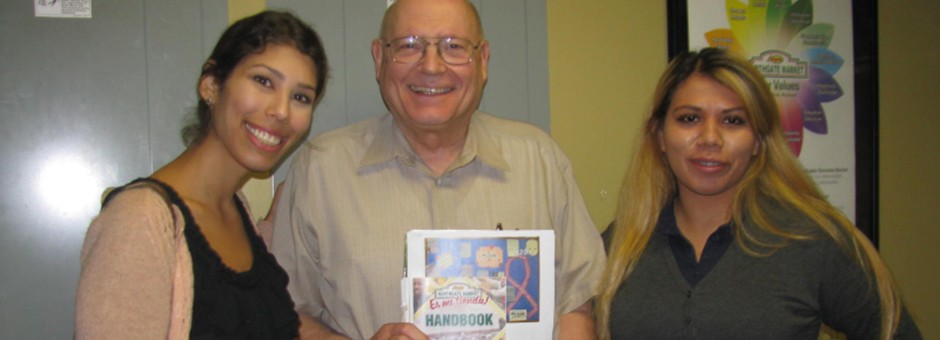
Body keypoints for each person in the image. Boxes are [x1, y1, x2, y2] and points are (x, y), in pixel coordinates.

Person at [269, 0, 606, 339]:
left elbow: (576, 305)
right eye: (409, 46)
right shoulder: (321, 170)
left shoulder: (540, 161)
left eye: (454, 47)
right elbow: (285, 314)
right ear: (379, 58)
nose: (431, 66)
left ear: (483, 60)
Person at [594, 47, 921, 339]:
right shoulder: (620, 247)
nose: (710, 138)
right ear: (660, 135)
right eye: (689, 118)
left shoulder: (812, 241)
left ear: (759, 142)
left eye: (733, 120)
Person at [75, 10, 329, 339]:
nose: (281, 111)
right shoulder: (140, 221)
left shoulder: (235, 210)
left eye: (300, 97)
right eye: (263, 81)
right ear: (211, 84)